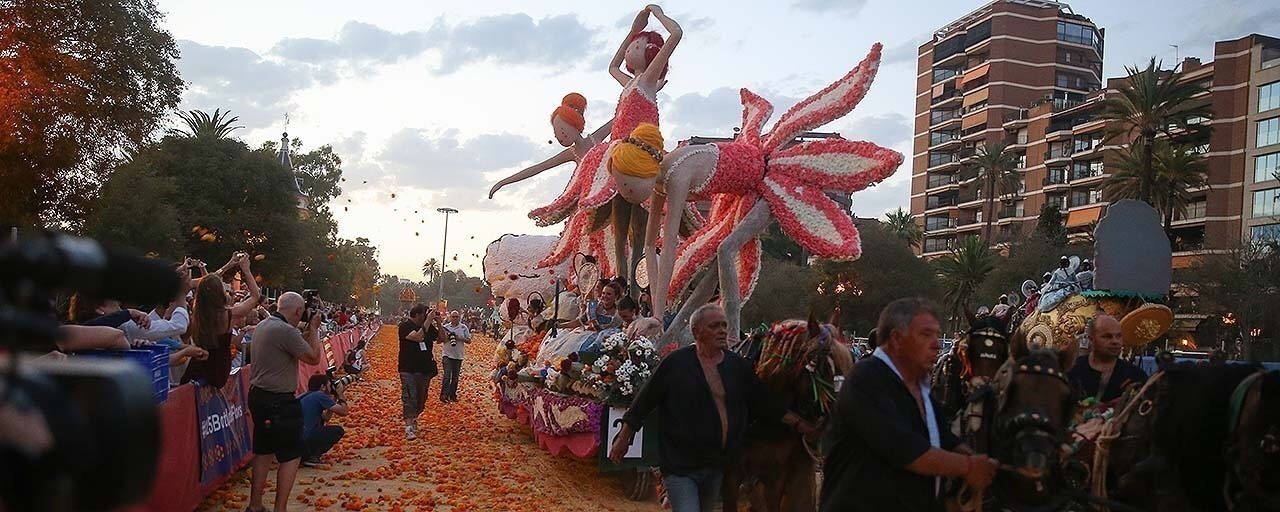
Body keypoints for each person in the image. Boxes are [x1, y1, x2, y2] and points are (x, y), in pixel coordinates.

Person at [610, 304, 814, 512]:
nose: (722, 330)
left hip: (716, 466)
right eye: (714, 326)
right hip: (681, 467)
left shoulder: (737, 366)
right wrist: (623, 439)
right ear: (696, 331)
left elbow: (766, 404)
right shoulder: (675, 364)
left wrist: (800, 425)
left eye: (724, 325)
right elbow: (643, 403)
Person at [820, 298, 997, 512]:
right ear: (896, 339)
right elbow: (909, 451)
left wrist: (974, 457)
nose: (937, 344)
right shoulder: (866, 378)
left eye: (936, 335)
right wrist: (969, 467)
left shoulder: (920, 389)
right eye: (925, 335)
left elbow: (943, 439)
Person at [246, 291, 323, 512]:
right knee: (291, 454)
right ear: (298, 311)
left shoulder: (264, 325)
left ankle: (255, 505)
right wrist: (315, 329)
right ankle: (280, 508)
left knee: (263, 450)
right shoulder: (285, 331)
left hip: (258, 396)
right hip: (279, 400)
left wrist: (309, 330)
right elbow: (313, 357)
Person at [184, 252, 260, 388]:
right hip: (218, 369)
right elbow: (255, 295)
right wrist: (246, 270)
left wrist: (229, 264)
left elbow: (206, 283)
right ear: (220, 292)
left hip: (197, 366)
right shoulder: (229, 314)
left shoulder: (197, 314)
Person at [1067, 313, 1147, 402]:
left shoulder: (1135, 376)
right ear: (1091, 339)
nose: (1115, 341)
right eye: (1107, 336)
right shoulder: (1073, 370)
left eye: (1118, 336)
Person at [398, 304, 441, 440]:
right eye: (424, 314)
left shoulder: (429, 327)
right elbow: (418, 337)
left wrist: (439, 323)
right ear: (417, 315)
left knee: (421, 398)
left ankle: (415, 417)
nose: (426, 316)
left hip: (425, 369)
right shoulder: (405, 326)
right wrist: (428, 320)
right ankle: (409, 427)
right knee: (410, 396)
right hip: (408, 368)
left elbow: (442, 338)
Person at [298, 374, 349, 467]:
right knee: (337, 431)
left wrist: (334, 398)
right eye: (329, 385)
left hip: (295, 439)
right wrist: (340, 394)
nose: (330, 388)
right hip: (304, 438)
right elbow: (344, 411)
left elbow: (326, 418)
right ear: (323, 387)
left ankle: (305, 455)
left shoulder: (305, 395)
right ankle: (312, 457)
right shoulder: (319, 395)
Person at [440, 310, 472, 403]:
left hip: (458, 356)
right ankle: (444, 395)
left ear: (459, 317)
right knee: (447, 375)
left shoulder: (463, 327)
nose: (455, 318)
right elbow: (440, 339)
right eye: (453, 317)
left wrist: (459, 338)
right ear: (450, 317)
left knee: (455, 377)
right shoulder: (446, 327)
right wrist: (447, 337)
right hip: (447, 355)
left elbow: (469, 340)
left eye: (456, 317)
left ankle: (452, 395)